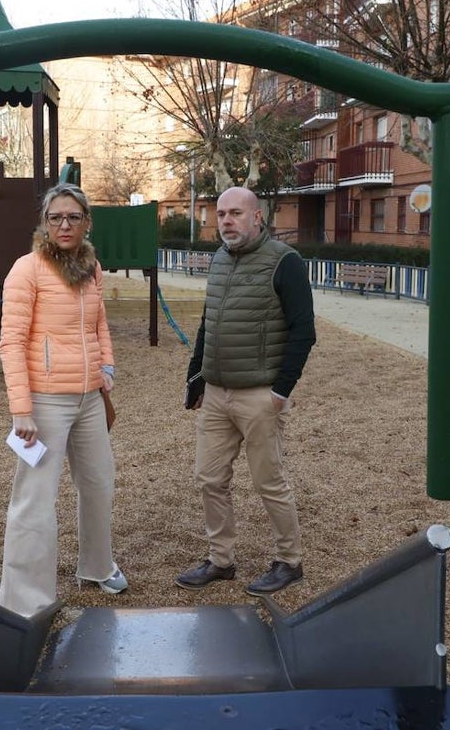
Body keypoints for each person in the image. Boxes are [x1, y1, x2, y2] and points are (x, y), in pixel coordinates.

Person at [176, 186, 317, 596]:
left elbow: (303, 331)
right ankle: (221, 560)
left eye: (235, 213)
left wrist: (280, 391)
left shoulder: (284, 262)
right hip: (218, 393)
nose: (226, 221)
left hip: (260, 394)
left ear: (258, 217)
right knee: (209, 478)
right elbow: (209, 323)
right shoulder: (220, 259)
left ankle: (289, 561)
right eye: (220, 214)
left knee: (269, 481)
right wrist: (195, 379)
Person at [0, 182, 127, 617]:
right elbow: (11, 343)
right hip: (47, 401)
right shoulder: (27, 270)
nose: (65, 225)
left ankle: (96, 565)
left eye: (73, 217)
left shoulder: (91, 267)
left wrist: (106, 366)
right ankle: (26, 596)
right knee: (35, 496)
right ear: (44, 223)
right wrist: (22, 409)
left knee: (98, 483)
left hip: (89, 397)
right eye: (56, 218)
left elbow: (99, 324)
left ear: (86, 222)